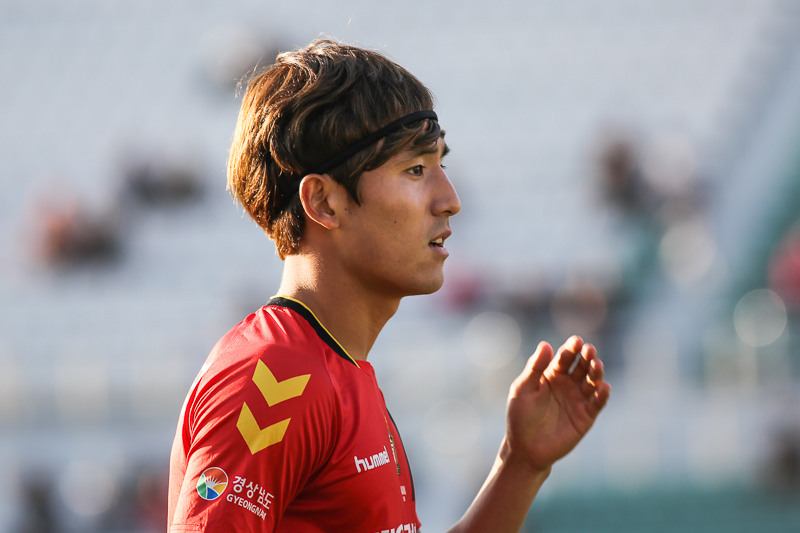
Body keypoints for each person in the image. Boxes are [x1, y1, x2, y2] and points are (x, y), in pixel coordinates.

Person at [167, 38, 610, 533]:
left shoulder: (336, 369)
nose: (450, 199)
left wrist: (520, 465)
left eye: (441, 166)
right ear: (324, 202)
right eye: (416, 169)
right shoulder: (273, 378)